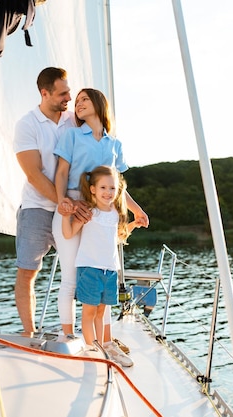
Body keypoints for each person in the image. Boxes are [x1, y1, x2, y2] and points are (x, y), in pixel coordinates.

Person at [52, 88, 149, 348]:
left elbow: (117, 186)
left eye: (84, 99)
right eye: (77, 100)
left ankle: (104, 341)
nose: (78, 103)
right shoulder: (71, 135)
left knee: (103, 272)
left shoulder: (114, 144)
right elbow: (61, 173)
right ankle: (68, 336)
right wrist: (64, 201)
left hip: (103, 210)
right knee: (72, 276)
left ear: (98, 104)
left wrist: (136, 210)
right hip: (73, 206)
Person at [12, 67, 77, 336]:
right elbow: (33, 174)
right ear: (45, 93)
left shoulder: (75, 120)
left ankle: (78, 331)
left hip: (72, 207)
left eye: (69, 91)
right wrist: (63, 202)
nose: (69, 98)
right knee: (27, 272)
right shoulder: (27, 124)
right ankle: (28, 333)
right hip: (37, 208)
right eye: (63, 93)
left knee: (79, 272)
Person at [59, 165, 143, 366]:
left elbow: (118, 237)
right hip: (89, 269)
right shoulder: (89, 212)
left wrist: (133, 224)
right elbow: (68, 234)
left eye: (112, 188)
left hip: (110, 270)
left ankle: (104, 345)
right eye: (103, 188)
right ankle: (91, 350)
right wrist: (64, 216)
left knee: (101, 312)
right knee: (89, 313)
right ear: (93, 189)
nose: (108, 192)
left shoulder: (115, 213)